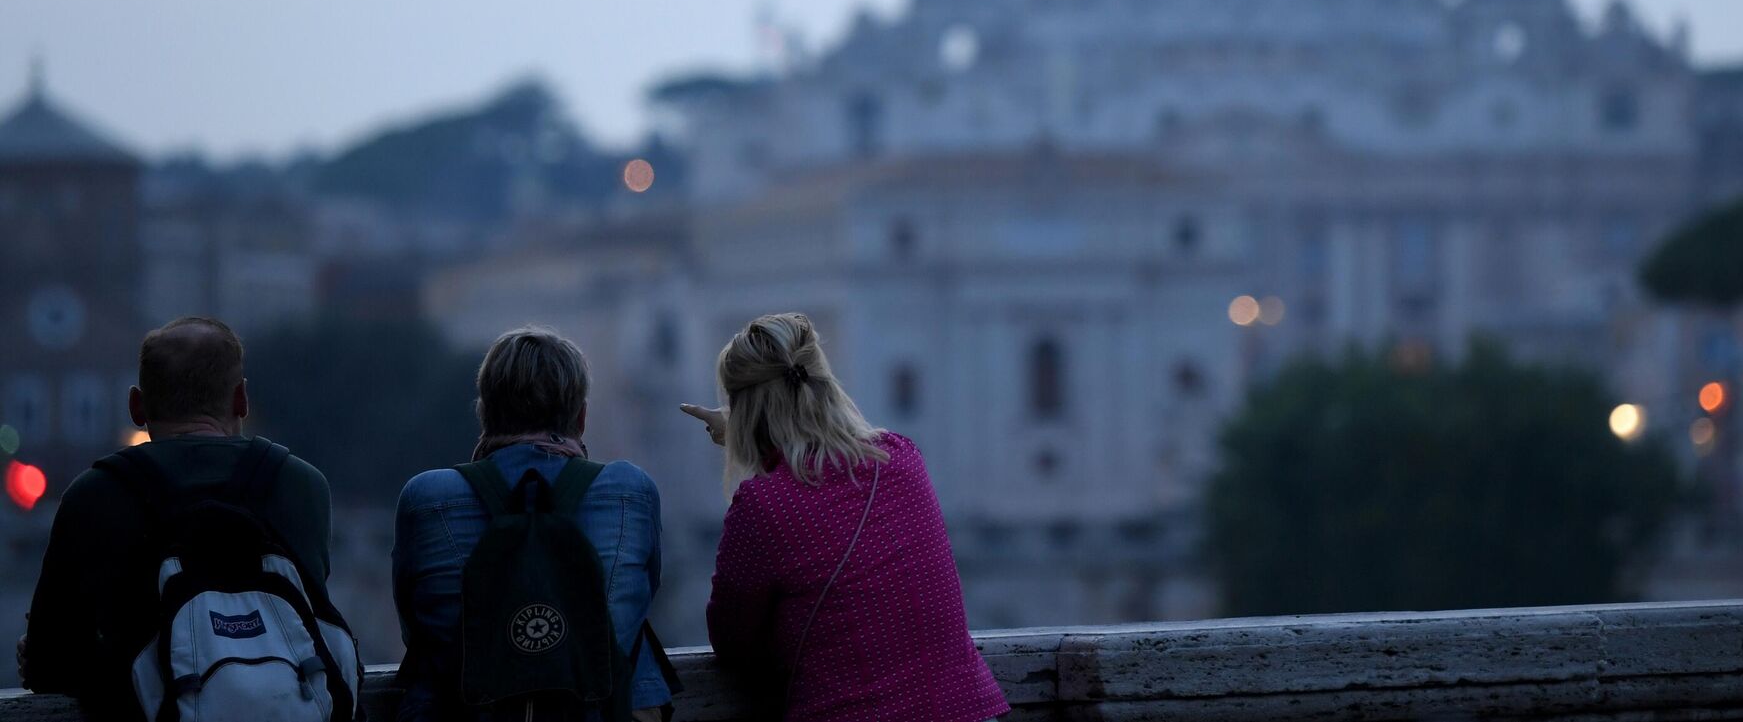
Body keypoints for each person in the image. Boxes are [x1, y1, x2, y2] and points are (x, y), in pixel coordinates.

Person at [681, 312, 1008, 722]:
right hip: (966, 710)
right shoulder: (902, 457)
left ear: (743, 409)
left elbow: (733, 640)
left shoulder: (763, 505)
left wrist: (748, 439)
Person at [15, 315, 340, 717]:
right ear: (241, 399)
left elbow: (48, 664)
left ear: (137, 406)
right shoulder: (303, 486)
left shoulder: (92, 495)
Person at [392, 325, 673, 722]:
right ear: (581, 416)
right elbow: (647, 592)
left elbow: (413, 626)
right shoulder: (631, 491)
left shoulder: (426, 499)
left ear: (484, 412)